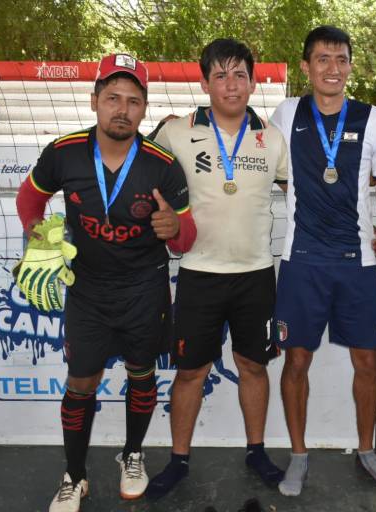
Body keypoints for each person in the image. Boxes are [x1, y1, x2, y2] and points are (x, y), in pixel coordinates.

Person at [15, 53, 195, 512]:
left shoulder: (163, 165)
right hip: (87, 291)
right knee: (81, 382)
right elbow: (28, 199)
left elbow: (186, 238)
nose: (122, 108)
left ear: (144, 108)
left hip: (144, 289)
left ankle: (132, 455)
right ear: (95, 100)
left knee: (142, 373)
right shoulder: (64, 152)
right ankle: (74, 477)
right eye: (112, 97)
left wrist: (175, 228)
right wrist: (39, 235)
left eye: (133, 101)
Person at [269, 25, 376, 497]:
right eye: (322, 59)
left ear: (350, 66)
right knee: (296, 359)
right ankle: (298, 455)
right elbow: (279, 179)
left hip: (357, 260)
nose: (332, 68)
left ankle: (365, 450)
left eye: (341, 59)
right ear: (306, 66)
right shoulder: (285, 113)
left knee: (366, 361)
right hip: (300, 259)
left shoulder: (373, 118)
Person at [144, 38, 289, 498]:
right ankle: (179, 459)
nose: (231, 84)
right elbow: (137, 172)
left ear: (252, 80)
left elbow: (306, 196)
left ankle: (257, 451)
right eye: (221, 75)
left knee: (253, 365)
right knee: (190, 372)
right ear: (204, 81)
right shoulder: (176, 132)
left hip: (256, 273)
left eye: (240, 74)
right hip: (199, 273)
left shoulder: (272, 137)